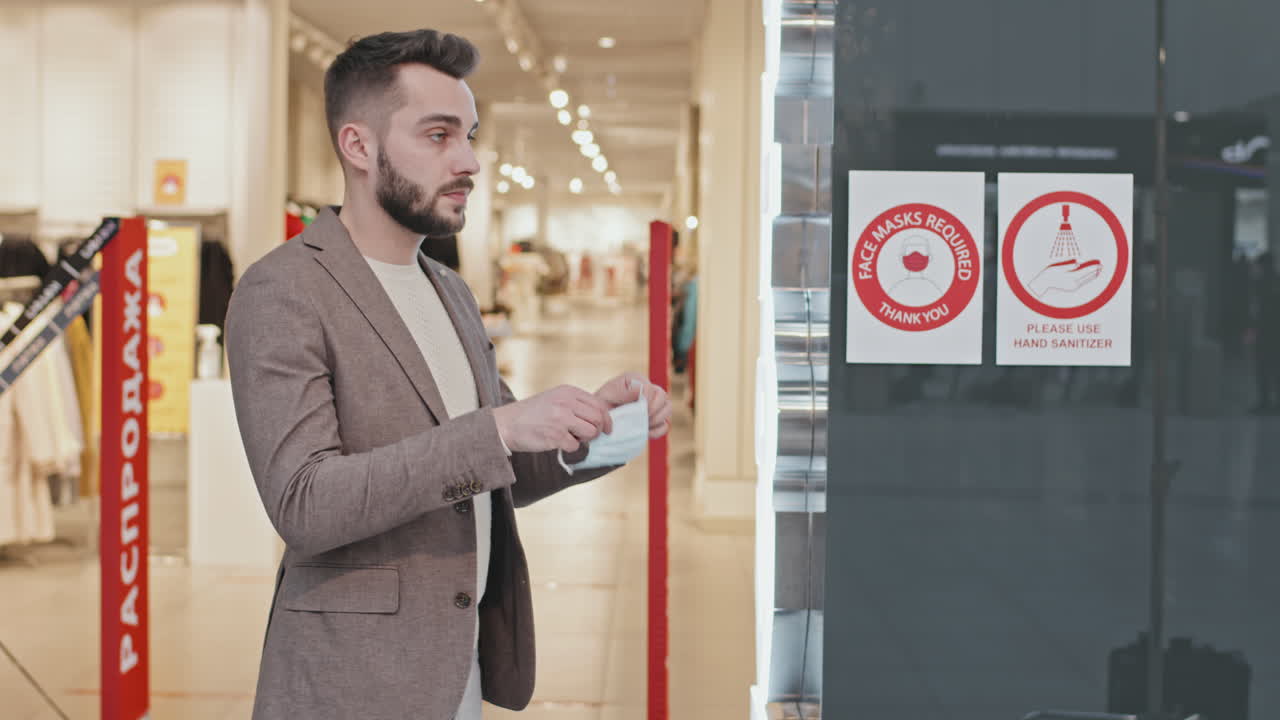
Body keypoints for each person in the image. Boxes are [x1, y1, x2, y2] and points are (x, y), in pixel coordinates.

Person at [223, 30, 672, 720]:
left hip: (455, 666)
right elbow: (305, 504)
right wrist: (497, 426)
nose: (468, 161)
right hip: (353, 678)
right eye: (438, 135)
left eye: (469, 135)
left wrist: (598, 428)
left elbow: (495, 469)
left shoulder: (449, 289)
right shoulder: (283, 290)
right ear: (359, 146)